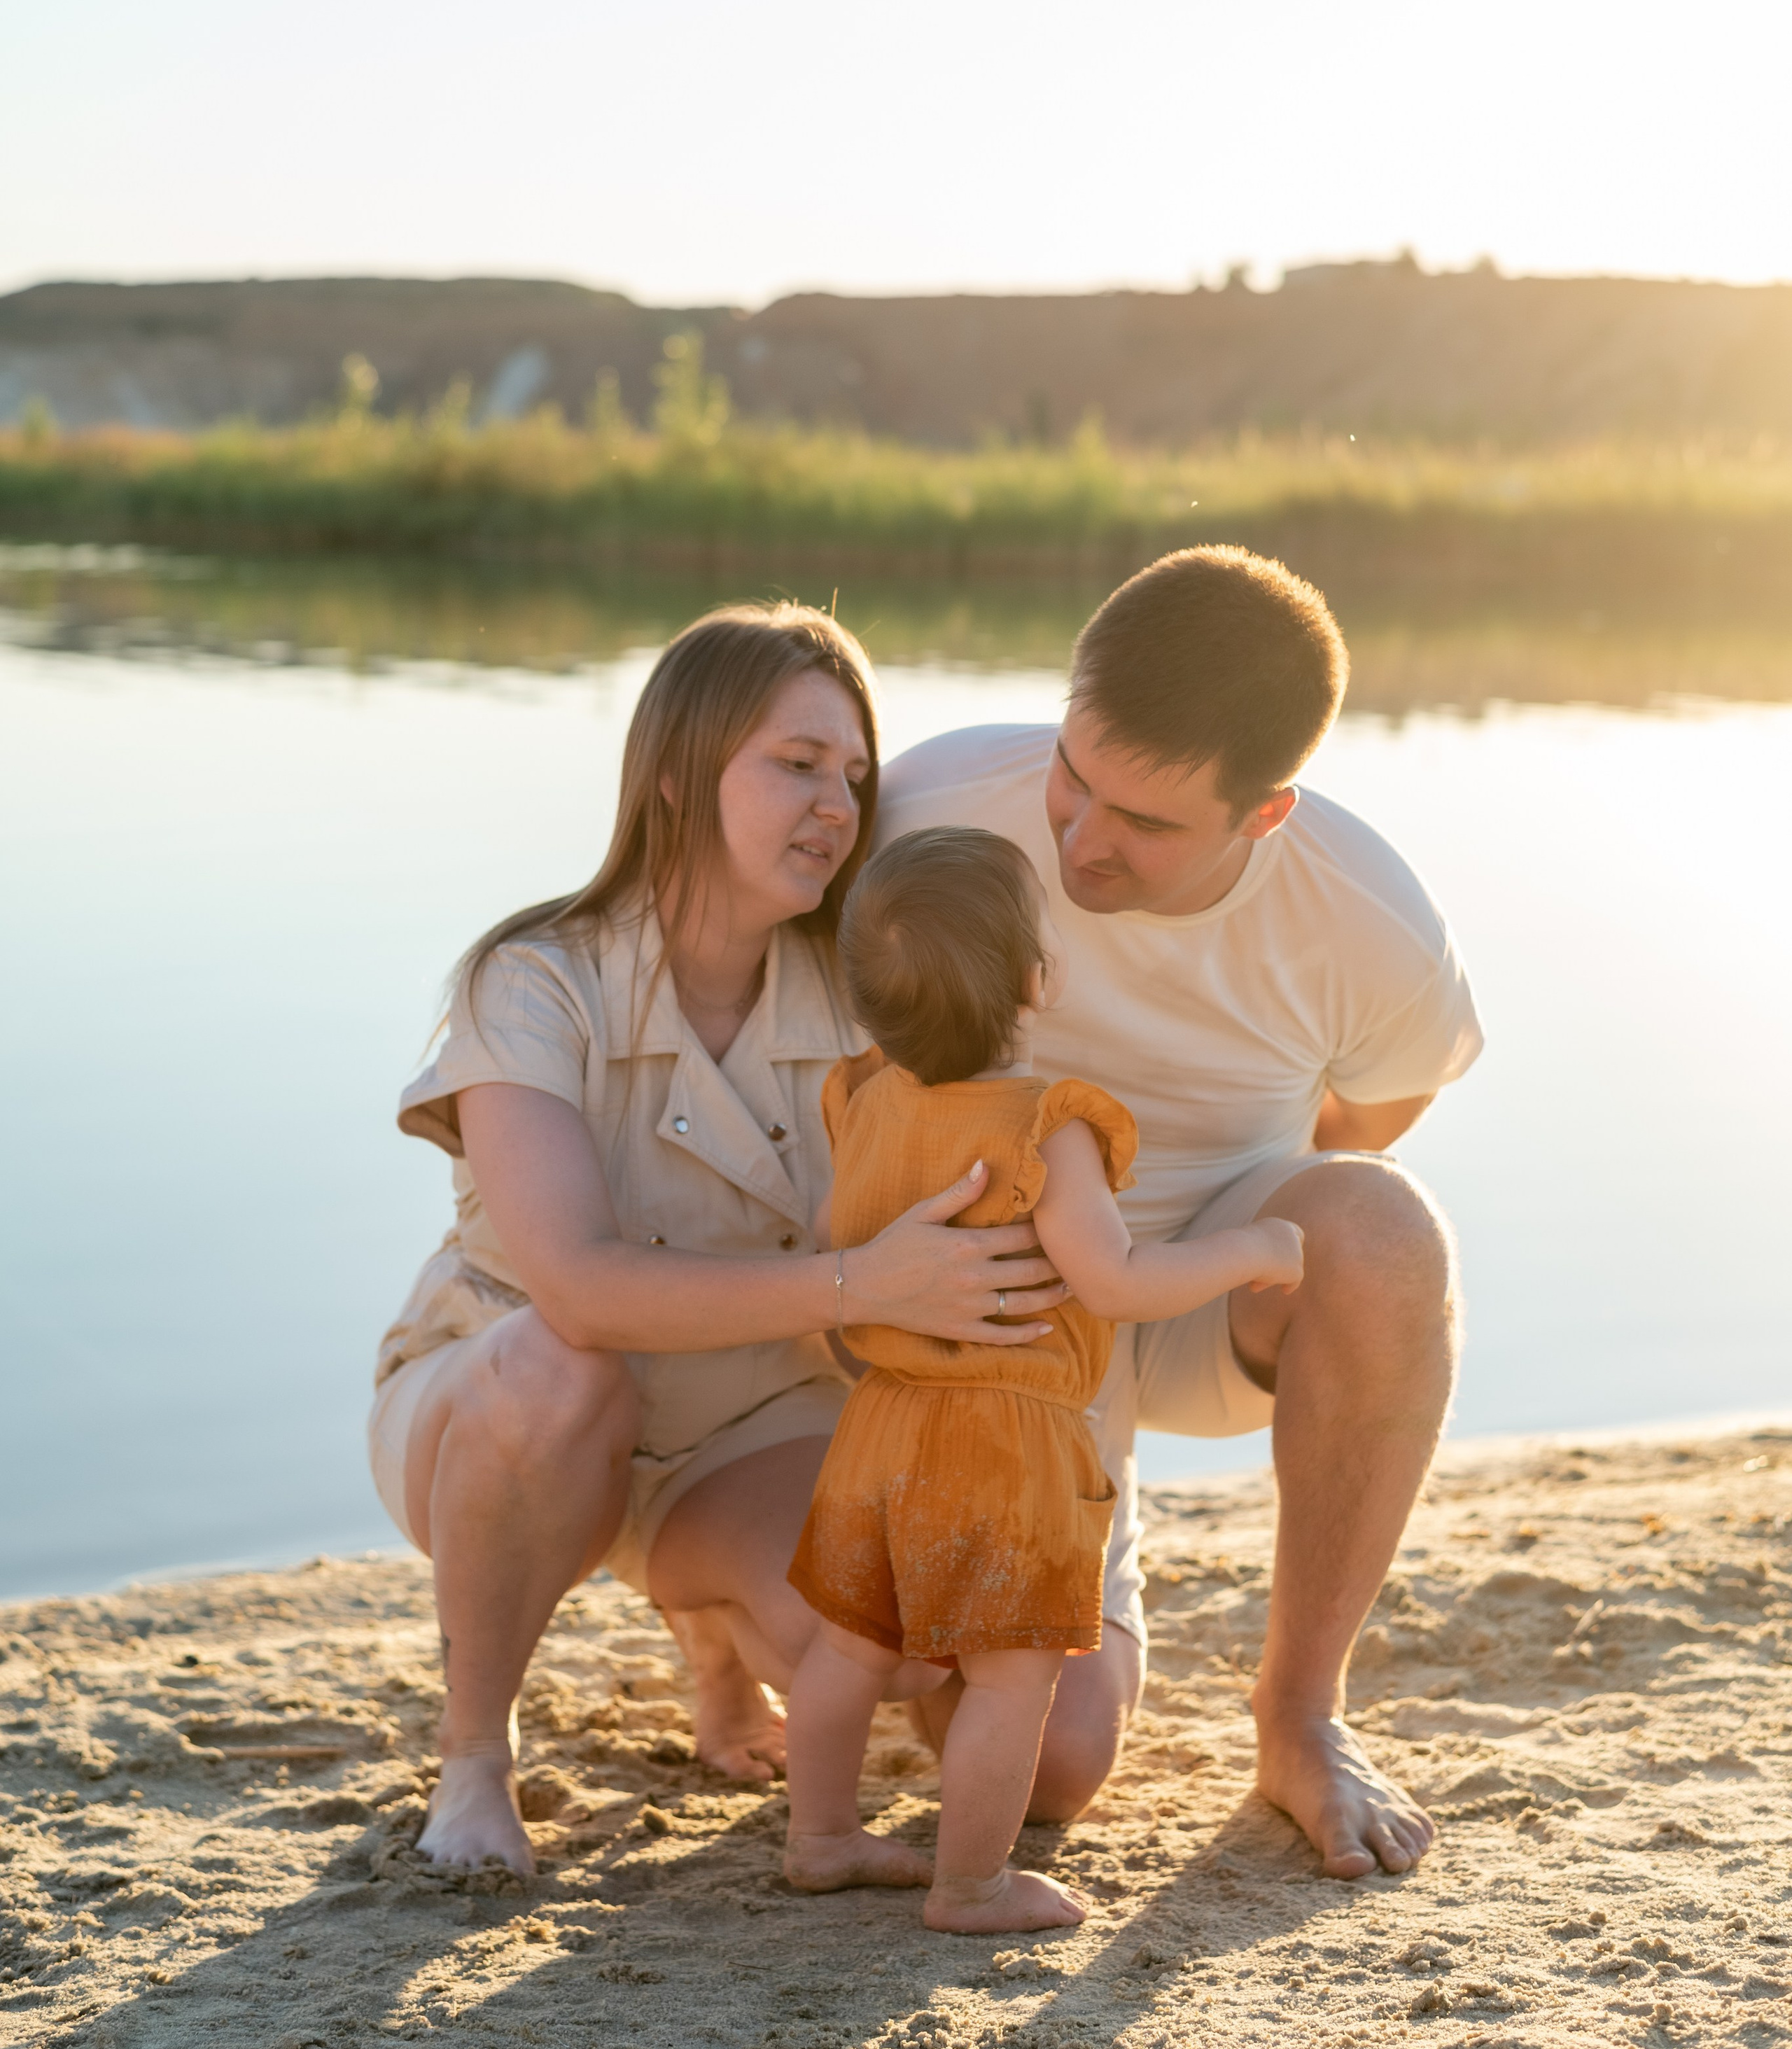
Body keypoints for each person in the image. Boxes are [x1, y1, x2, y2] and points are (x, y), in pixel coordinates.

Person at [370, 602, 1058, 1873]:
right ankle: (474, 1758)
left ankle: (712, 1632)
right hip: (511, 1405)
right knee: (564, 1367)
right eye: (797, 764)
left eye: (852, 775)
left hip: (740, 1426)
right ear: (679, 774)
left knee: (898, 1648)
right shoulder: (532, 979)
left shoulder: (861, 1002)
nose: (838, 806)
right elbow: (576, 1291)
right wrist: (860, 1282)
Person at [878, 545, 1484, 1881]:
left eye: (1145, 825)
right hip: (966, 1324)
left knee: (1384, 1235)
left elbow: (1367, 1129)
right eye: (1073, 780)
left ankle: (1299, 1715)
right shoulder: (927, 802)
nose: (1083, 843)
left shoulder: (1366, 917)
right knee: (1052, 1773)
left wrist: (1199, 1258)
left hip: (1194, 1300)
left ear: (1262, 816)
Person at [781, 827, 1305, 1931]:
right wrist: (1253, 1252)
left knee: (847, 1646)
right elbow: (1114, 1281)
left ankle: (821, 1837)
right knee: (1014, 1678)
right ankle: (969, 1883)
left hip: (882, 1424)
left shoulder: (863, 1101)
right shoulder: (1046, 1125)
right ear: (1037, 979)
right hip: (1007, 1439)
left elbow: (838, 1238)